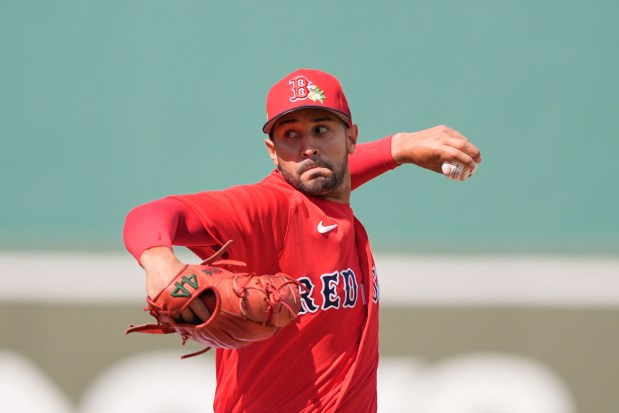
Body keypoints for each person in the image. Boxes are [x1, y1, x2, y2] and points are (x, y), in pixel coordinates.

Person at [123, 68, 482, 412]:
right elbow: (149, 215)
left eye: (321, 129)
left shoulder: (328, 204)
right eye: (290, 135)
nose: (308, 147)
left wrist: (397, 148)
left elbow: (332, 179)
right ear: (272, 151)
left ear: (352, 137)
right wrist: (159, 261)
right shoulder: (268, 209)